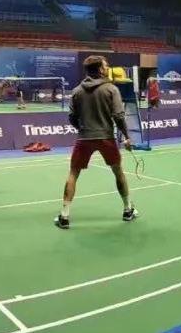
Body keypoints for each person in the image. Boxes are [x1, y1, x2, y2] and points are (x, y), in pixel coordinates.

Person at [56, 55, 138, 230]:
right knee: (118, 172)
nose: (107, 68)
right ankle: (127, 210)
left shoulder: (77, 91)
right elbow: (118, 116)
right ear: (100, 69)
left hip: (84, 138)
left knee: (73, 173)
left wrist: (82, 129)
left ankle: (64, 216)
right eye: (105, 65)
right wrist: (127, 136)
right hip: (106, 137)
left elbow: (71, 117)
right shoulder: (111, 89)